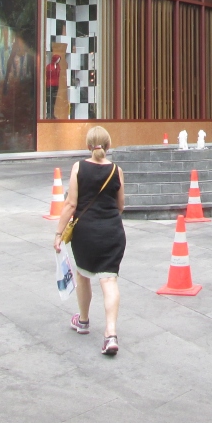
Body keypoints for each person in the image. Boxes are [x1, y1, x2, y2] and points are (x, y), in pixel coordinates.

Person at [54, 126, 126, 355]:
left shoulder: (79, 167)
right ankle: (110, 335)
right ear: (108, 145)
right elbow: (120, 206)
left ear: (88, 146)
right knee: (109, 280)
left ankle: (83, 321)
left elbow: (71, 204)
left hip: (85, 233)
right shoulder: (116, 170)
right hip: (112, 232)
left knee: (83, 274)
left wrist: (58, 233)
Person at [45, 54, 61, 118]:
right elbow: (47, 75)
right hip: (50, 84)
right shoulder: (49, 66)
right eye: (57, 59)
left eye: (59, 59)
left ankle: (52, 114)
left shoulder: (58, 66)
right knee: (49, 100)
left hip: (56, 84)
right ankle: (49, 114)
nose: (58, 61)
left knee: (54, 100)